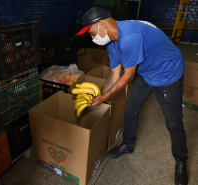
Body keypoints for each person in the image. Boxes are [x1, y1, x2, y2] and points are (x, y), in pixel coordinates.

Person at [76, 7, 188, 185]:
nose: (92, 38)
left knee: (173, 121)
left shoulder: (128, 37)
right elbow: (114, 76)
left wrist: (104, 99)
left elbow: (127, 77)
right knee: (131, 108)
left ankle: (181, 160)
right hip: (147, 72)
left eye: (91, 33)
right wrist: (99, 95)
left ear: (102, 23)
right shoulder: (111, 42)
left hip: (167, 73)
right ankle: (128, 144)